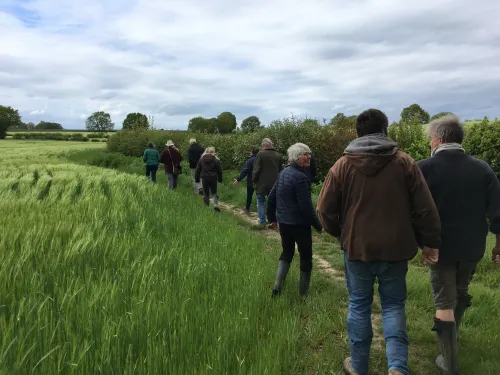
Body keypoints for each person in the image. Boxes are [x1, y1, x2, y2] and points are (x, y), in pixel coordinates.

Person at [316, 108, 441, 375]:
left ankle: (359, 367)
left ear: (358, 133)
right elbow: (425, 208)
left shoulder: (342, 164)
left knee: (359, 304)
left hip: (357, 248)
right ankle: (397, 368)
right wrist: (429, 242)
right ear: (385, 130)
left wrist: (341, 234)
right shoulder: (405, 162)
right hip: (395, 249)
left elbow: (324, 210)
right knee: (393, 305)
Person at [417, 115, 500, 374]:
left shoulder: (424, 168)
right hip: (472, 247)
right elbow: (498, 211)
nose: (430, 143)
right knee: (461, 292)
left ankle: (448, 362)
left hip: (439, 247)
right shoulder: (482, 168)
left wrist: (419, 242)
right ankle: (453, 340)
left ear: (439, 139)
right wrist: (497, 246)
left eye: (430, 138)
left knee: (444, 301)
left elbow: (412, 210)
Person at [267, 143, 323, 298]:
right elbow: (306, 208)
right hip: (299, 224)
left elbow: (271, 197)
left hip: (284, 223)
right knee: (306, 256)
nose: (309, 157)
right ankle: (304, 295)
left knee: (287, 251)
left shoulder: (283, 173)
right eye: (305, 154)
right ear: (297, 157)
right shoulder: (300, 177)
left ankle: (278, 286)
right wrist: (319, 226)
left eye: (309, 154)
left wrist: (271, 218)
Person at [252, 138, 282, 227]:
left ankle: (262, 222)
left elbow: (256, 169)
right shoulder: (278, 155)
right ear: (271, 145)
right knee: (274, 203)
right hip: (275, 183)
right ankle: (274, 221)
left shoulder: (260, 154)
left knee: (260, 202)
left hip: (262, 183)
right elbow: (280, 170)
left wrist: (254, 180)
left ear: (263, 145)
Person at [195, 146, 223, 212]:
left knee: (206, 193)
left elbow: (198, 170)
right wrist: (220, 178)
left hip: (204, 177)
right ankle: (215, 205)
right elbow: (219, 170)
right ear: (213, 152)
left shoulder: (201, 159)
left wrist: (197, 178)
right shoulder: (216, 160)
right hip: (213, 178)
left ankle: (206, 207)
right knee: (214, 192)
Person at [233, 146, 259, 215]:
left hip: (251, 180)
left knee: (249, 195)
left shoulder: (249, 160)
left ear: (251, 152)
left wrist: (238, 179)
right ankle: (260, 211)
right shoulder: (260, 159)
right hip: (259, 181)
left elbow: (245, 171)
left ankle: (247, 209)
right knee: (259, 196)